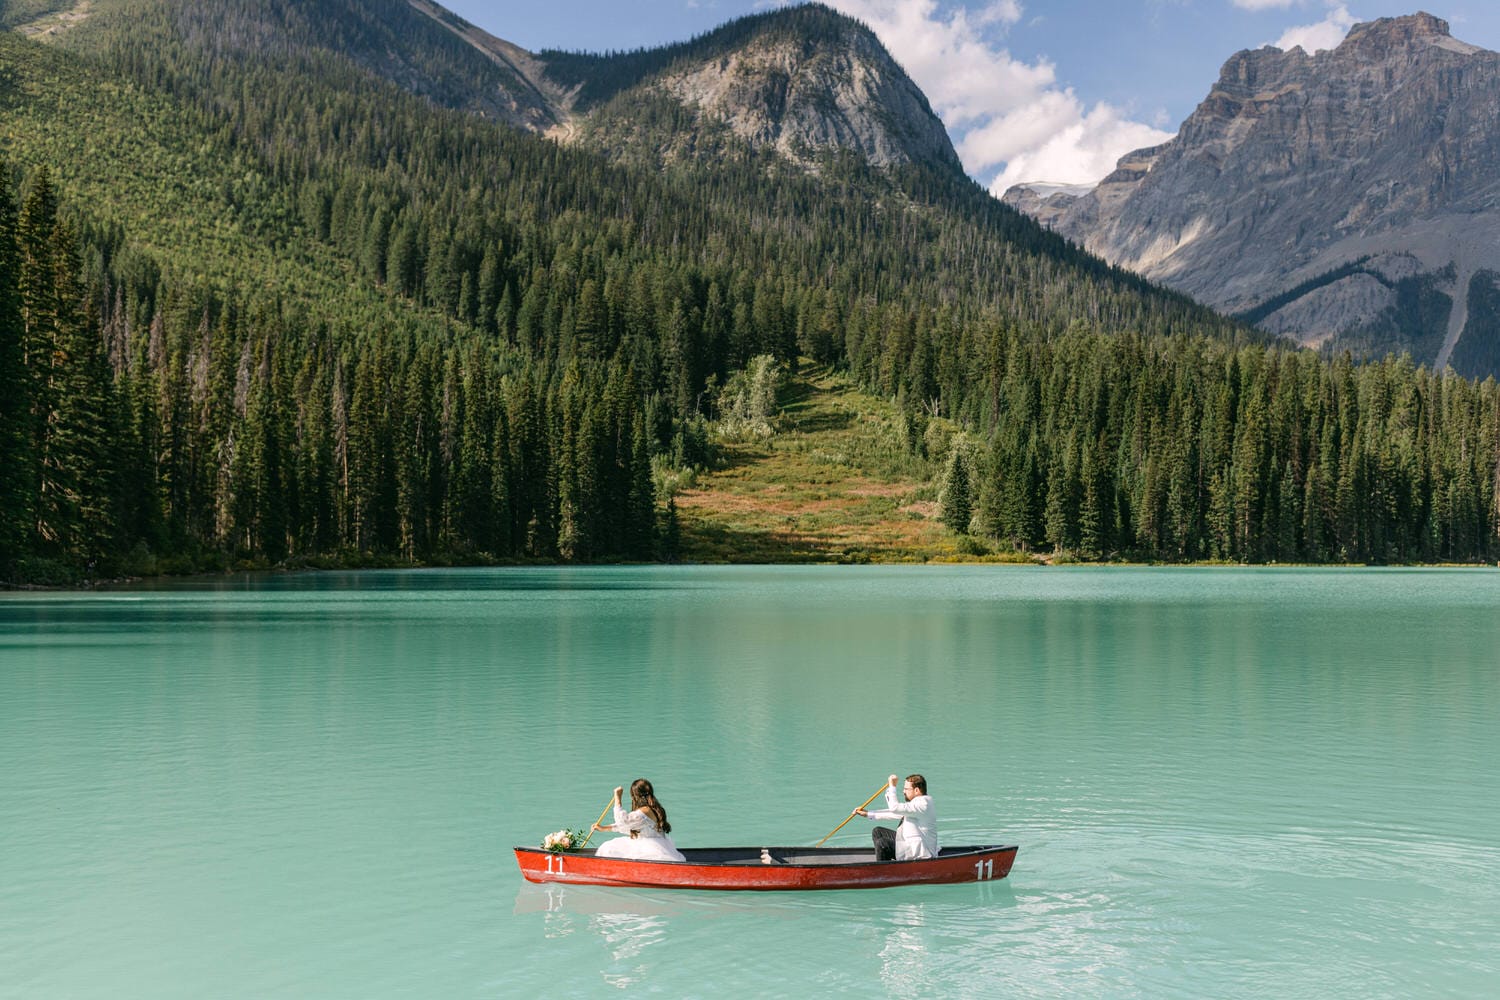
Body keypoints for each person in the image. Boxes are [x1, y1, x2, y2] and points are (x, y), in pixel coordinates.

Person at [591, 778, 686, 862]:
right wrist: (603, 828)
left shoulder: (645, 811)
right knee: (611, 846)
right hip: (657, 843)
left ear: (635, 796)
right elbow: (628, 826)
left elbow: (623, 822)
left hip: (651, 847)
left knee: (608, 848)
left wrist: (618, 798)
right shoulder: (651, 808)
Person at [855, 773, 937, 861]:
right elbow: (896, 813)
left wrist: (892, 786)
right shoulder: (917, 803)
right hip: (909, 843)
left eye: (906, 789)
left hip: (920, 851)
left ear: (916, 790)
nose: (903, 792)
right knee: (878, 831)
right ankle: (886, 863)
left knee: (882, 843)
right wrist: (868, 813)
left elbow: (895, 808)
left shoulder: (923, 804)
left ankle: (883, 871)